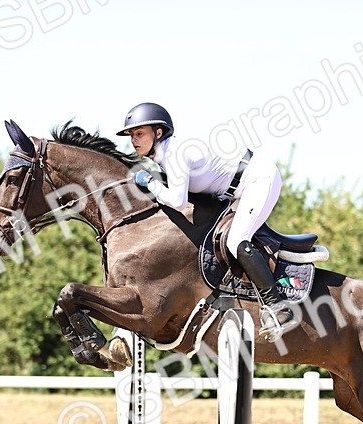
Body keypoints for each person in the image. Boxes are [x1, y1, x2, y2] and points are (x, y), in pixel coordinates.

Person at [116, 102, 295, 341]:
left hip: (258, 180)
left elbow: (177, 201)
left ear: (158, 132)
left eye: (139, 133)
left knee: (236, 241)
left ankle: (277, 307)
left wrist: (149, 183)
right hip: (233, 192)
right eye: (131, 135)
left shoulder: (175, 153)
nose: (134, 140)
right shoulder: (163, 157)